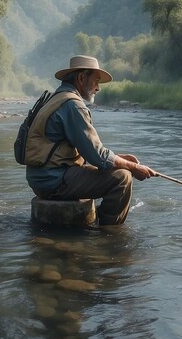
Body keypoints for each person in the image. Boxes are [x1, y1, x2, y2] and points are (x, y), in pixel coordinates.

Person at [25, 55, 157, 225]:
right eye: (96, 81)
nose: (98, 88)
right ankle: (107, 233)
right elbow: (98, 157)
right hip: (53, 180)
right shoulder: (73, 105)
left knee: (119, 170)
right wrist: (135, 167)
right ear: (81, 78)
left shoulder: (57, 99)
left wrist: (120, 158)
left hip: (42, 178)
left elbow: (89, 152)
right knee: (122, 178)